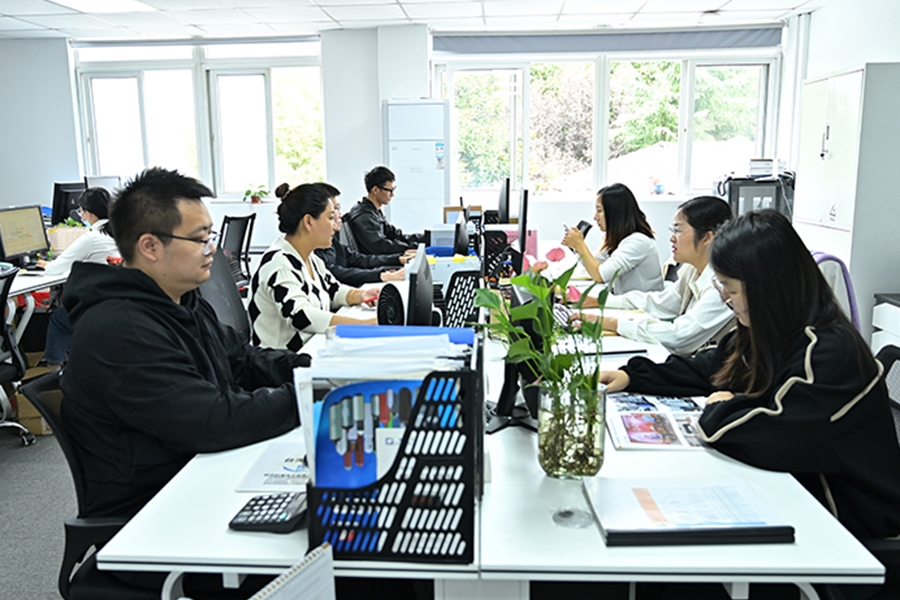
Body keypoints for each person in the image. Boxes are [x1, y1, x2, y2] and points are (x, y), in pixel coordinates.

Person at [600, 210, 900, 544]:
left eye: (730, 289)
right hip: (796, 493)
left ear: (767, 286)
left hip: (847, 525)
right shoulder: (772, 329)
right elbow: (711, 367)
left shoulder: (829, 351)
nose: (725, 299)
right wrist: (632, 376)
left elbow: (773, 435)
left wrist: (720, 406)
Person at [61, 167, 310, 520]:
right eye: (199, 239)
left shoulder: (182, 301)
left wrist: (318, 369)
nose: (213, 249)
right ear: (150, 246)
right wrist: (313, 392)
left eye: (211, 235)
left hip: (204, 471)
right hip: (156, 512)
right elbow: (212, 421)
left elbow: (241, 360)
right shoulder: (119, 330)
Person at [577, 195, 735, 356]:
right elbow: (660, 302)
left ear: (707, 238)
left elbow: (679, 337)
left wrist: (612, 323)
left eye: (678, 230)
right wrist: (599, 302)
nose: (671, 238)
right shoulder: (692, 270)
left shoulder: (723, 287)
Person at [249, 182, 379, 352]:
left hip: (309, 349)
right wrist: (361, 325)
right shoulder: (279, 263)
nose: (335, 225)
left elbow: (332, 290)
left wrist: (361, 295)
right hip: (284, 362)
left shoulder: (310, 258)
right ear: (309, 222)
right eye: (330, 218)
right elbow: (300, 315)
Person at [37, 187, 120, 368]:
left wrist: (46, 265)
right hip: (120, 303)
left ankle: (53, 370)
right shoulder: (123, 232)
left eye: (81, 212)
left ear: (89, 213)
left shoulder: (92, 238)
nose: (81, 216)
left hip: (97, 308)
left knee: (59, 319)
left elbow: (56, 268)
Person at [561, 183, 663, 294]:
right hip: (625, 300)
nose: (595, 217)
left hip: (640, 304)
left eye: (599, 211)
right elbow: (595, 260)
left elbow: (600, 276)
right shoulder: (620, 238)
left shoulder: (638, 242)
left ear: (615, 213)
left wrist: (579, 245)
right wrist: (577, 247)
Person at [312, 184, 408, 286]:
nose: (340, 215)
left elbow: (356, 259)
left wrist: (399, 259)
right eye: (335, 209)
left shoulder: (330, 240)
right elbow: (333, 273)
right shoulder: (315, 249)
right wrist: (384, 276)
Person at [343, 165, 425, 254]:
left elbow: (395, 235)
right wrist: (414, 248)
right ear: (375, 190)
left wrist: (425, 239)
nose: (392, 194)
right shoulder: (364, 217)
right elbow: (382, 247)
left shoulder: (373, 211)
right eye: (390, 190)